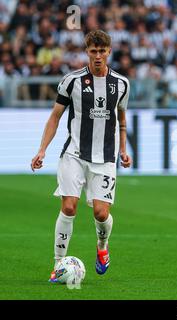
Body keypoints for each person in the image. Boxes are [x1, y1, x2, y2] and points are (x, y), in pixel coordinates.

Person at [30, 30, 132, 282]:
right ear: (87, 52)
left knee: (100, 213)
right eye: (93, 51)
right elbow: (55, 116)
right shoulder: (72, 81)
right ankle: (58, 265)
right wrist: (42, 149)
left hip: (105, 158)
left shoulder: (121, 84)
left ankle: (102, 246)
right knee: (68, 206)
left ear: (109, 51)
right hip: (73, 154)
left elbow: (121, 119)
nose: (97, 56)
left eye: (102, 51)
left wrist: (123, 150)